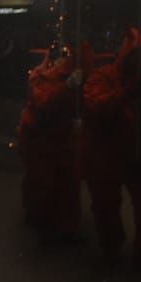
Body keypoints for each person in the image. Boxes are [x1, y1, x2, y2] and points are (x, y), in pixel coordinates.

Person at [83, 28, 141, 270]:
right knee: (105, 204)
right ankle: (111, 246)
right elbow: (96, 106)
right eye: (136, 56)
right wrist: (125, 93)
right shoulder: (103, 76)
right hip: (107, 153)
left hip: (139, 155)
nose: (140, 62)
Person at [17, 42, 88, 241]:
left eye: (65, 57)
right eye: (59, 57)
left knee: (68, 184)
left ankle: (67, 226)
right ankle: (40, 218)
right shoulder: (38, 76)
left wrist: (81, 116)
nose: (62, 61)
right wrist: (68, 87)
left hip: (64, 138)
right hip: (39, 140)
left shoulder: (74, 75)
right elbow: (44, 104)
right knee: (42, 183)